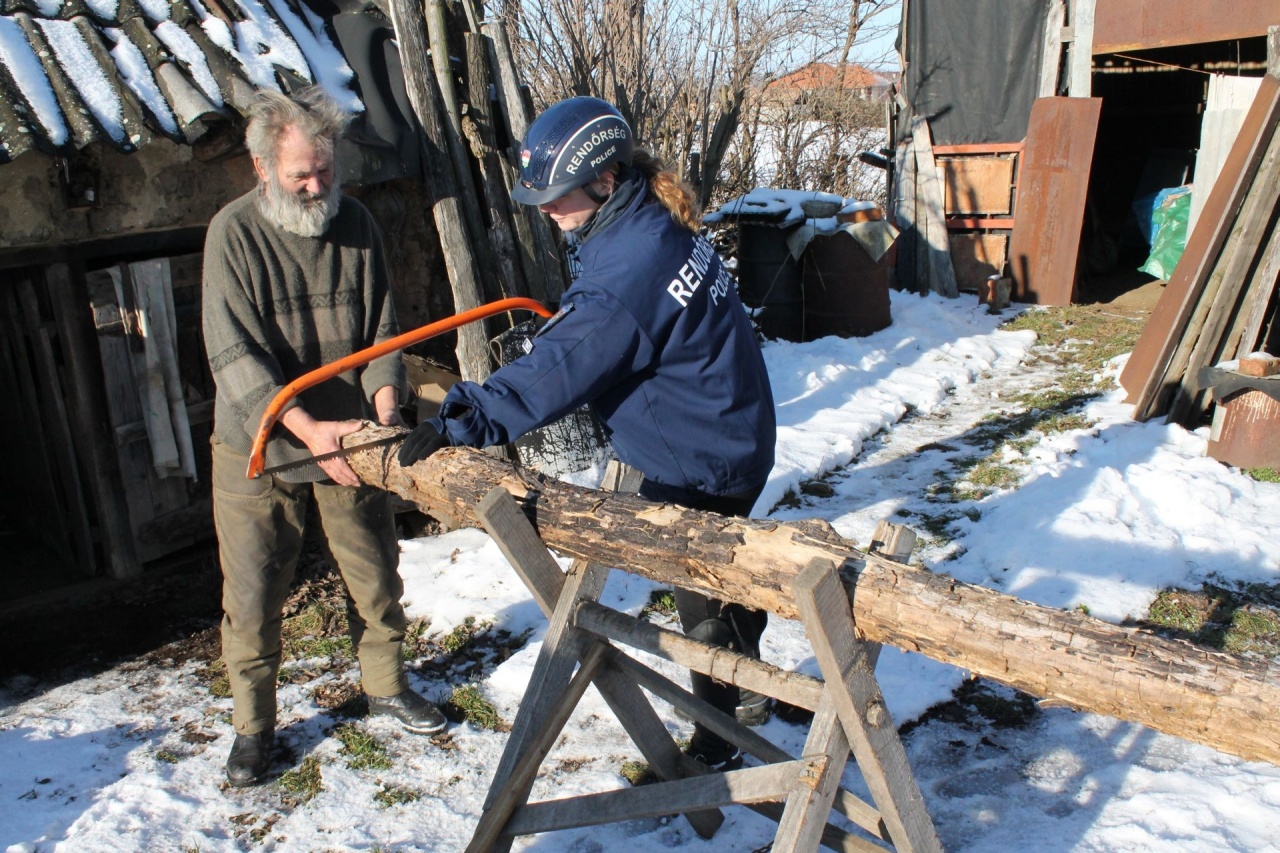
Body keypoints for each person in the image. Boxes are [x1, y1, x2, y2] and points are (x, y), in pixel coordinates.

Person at [397, 96, 776, 772]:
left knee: (697, 589)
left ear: (603, 179)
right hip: (732, 423)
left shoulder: (625, 275)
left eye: (556, 196)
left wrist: (462, 420)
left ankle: (721, 735)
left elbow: (553, 373)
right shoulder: (648, 217)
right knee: (723, 572)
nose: (545, 209)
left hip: (699, 458)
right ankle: (746, 669)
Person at [203, 86, 445, 788]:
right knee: (251, 595)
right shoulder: (234, 235)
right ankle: (253, 728)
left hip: (352, 440)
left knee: (375, 571)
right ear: (260, 166)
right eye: (299, 175)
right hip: (264, 443)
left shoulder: (357, 223)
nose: (315, 187)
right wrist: (308, 430)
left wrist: (386, 414)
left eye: (325, 171)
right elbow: (234, 356)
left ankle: (386, 683)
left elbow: (381, 332)